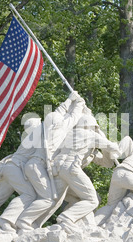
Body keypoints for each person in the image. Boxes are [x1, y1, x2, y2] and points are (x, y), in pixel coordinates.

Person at [15, 91, 86, 231]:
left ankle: (32, 222)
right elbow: (73, 116)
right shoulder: (59, 130)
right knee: (48, 199)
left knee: (49, 198)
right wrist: (79, 102)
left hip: (34, 165)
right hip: (38, 166)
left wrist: (68, 100)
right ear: (59, 123)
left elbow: (57, 114)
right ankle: (24, 220)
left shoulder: (44, 128)